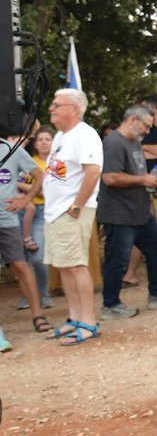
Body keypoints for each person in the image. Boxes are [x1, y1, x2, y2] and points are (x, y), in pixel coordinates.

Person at [98, 105, 157, 318]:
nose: (147, 131)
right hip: (119, 214)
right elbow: (110, 177)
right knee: (118, 259)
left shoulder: (135, 142)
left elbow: (135, 175)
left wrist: (152, 186)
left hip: (140, 212)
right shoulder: (114, 142)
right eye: (146, 126)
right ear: (133, 119)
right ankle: (110, 305)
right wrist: (143, 180)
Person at [42, 88, 104, 346]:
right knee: (64, 266)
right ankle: (74, 318)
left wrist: (77, 206)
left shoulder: (85, 135)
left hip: (72, 210)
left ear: (75, 109)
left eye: (58, 105)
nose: (51, 108)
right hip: (55, 211)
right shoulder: (60, 136)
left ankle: (88, 322)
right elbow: (59, 173)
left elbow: (93, 172)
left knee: (77, 266)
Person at [0, 132, 48, 333]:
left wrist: (25, 200)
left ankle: (38, 315)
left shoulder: (11, 149)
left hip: (7, 220)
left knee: (21, 266)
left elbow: (39, 176)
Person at [18, 128, 54, 309]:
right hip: (24, 210)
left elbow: (50, 191)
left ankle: (43, 292)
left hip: (44, 211)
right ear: (35, 142)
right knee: (22, 258)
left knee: (38, 256)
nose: (44, 142)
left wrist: (24, 187)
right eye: (40, 139)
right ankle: (28, 296)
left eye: (48, 139)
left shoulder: (57, 164)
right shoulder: (29, 162)